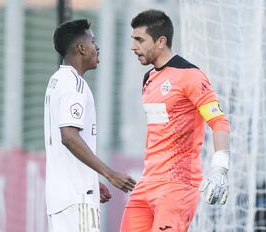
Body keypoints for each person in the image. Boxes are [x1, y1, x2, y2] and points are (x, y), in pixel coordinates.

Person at [120, 10, 231, 231]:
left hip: (177, 187)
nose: (133, 47)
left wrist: (220, 169)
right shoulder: (149, 78)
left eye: (140, 40)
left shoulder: (191, 76)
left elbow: (219, 122)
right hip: (146, 183)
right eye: (133, 40)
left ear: (161, 41)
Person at [44, 19, 136, 232]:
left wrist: (92, 179)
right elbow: (68, 137)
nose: (97, 47)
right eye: (93, 42)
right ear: (81, 48)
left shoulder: (58, 79)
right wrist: (109, 174)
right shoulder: (74, 84)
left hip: (63, 198)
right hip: (77, 199)